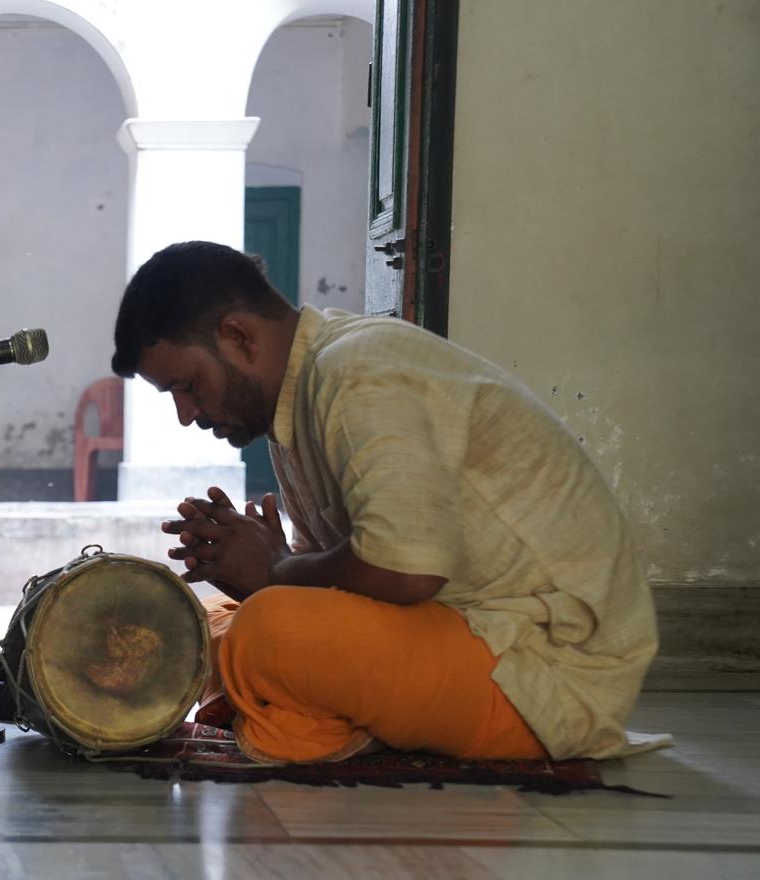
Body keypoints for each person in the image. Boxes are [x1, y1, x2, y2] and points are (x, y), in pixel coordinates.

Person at [110, 240, 658, 763]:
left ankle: (316, 718)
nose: (186, 414)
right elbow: (340, 582)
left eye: (186, 385)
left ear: (239, 337)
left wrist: (276, 571)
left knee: (266, 633)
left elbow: (404, 572)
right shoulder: (295, 402)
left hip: (538, 670)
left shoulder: (358, 372)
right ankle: (316, 709)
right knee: (194, 620)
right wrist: (262, 572)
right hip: (453, 630)